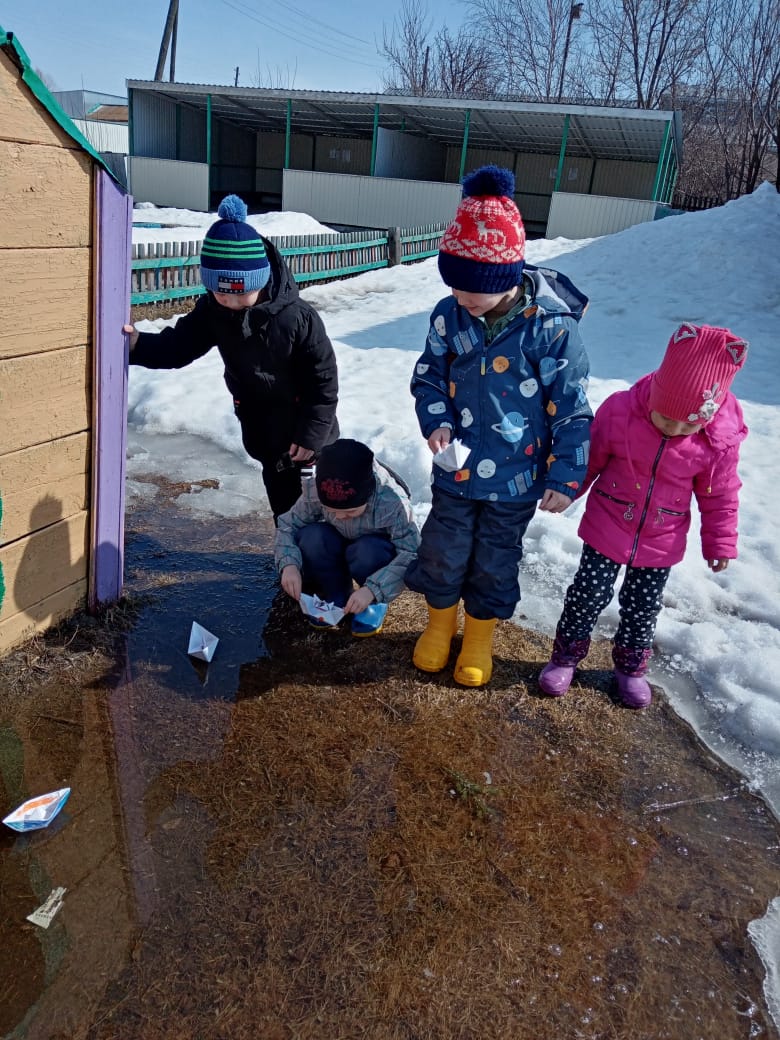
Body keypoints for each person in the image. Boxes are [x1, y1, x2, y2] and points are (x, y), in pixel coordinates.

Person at [405, 165, 593, 687]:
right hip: (456, 469)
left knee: (493, 560)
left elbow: (572, 407)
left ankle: (480, 636)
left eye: (472, 292)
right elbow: (429, 378)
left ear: (504, 278)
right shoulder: (449, 316)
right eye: (455, 287)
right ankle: (440, 626)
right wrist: (436, 421)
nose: (461, 299)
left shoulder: (551, 331)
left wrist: (564, 476)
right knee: (443, 550)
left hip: (515, 478)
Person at [539, 322, 749, 708]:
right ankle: (565, 658)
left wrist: (719, 541)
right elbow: (589, 460)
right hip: (608, 523)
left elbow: (720, 493)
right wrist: (567, 489)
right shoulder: (621, 411)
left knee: (642, 606)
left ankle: (630, 669)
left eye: (689, 424)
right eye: (666, 419)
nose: (675, 429)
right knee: (587, 595)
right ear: (654, 392)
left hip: (661, 537)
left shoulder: (716, 441)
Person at [124, 194, 339, 521]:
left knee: (325, 509)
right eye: (220, 292)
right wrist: (138, 346)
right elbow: (180, 346)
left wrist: (311, 436)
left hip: (309, 435)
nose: (229, 301)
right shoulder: (214, 312)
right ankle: (290, 561)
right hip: (264, 433)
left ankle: (325, 566)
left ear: (260, 279)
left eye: (239, 293)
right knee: (284, 510)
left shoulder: (297, 319)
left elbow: (323, 383)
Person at [275, 438, 420, 637]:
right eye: (330, 511)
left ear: (367, 495)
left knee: (369, 551)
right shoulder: (317, 489)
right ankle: (337, 591)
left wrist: (373, 590)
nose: (340, 516)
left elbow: (411, 552)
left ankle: (373, 602)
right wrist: (288, 565)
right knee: (312, 537)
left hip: (371, 552)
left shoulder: (392, 502)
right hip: (336, 541)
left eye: (350, 511)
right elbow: (288, 524)